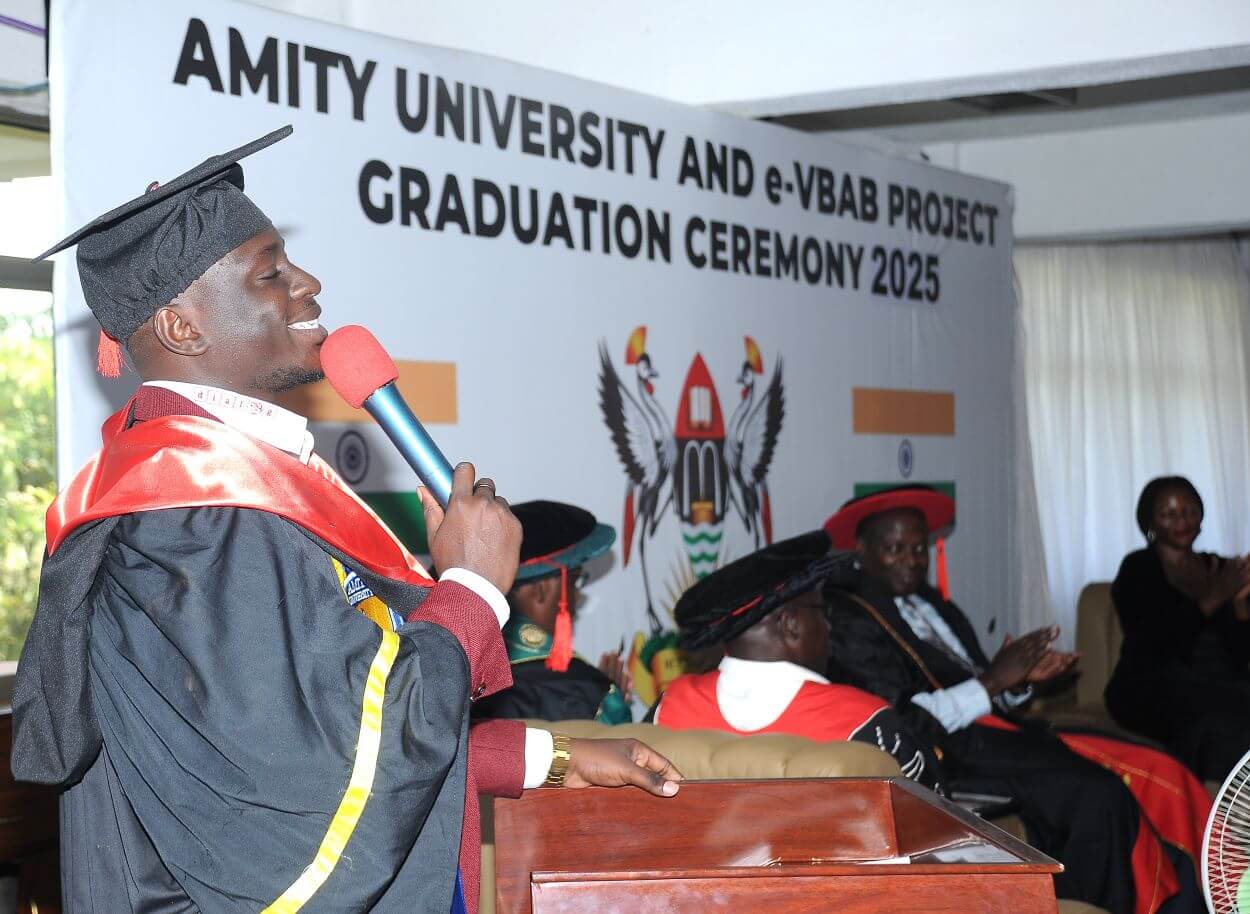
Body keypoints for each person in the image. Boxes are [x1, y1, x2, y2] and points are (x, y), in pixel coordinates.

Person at [10, 126, 682, 914]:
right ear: (183, 327)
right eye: (272, 273)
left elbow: (314, 742)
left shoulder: (216, 496)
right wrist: (469, 589)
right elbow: (309, 804)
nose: (310, 283)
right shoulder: (197, 519)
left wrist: (549, 754)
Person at [823, 485, 1208, 914]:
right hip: (949, 755)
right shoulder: (849, 619)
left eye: (919, 548)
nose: (913, 560)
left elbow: (980, 686)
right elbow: (900, 722)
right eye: (896, 548)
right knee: (1097, 795)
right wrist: (992, 682)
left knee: (1157, 766)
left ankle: (1189, 891)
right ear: (862, 549)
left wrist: (1018, 680)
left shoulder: (931, 604)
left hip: (994, 735)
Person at [653, 532, 944, 793]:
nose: (829, 626)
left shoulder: (670, 706)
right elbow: (937, 823)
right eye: (821, 611)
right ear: (790, 624)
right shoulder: (865, 721)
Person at [1108, 476, 1250, 782]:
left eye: (1189, 511)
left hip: (1220, 682)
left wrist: (1239, 604)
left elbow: (1239, 657)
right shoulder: (1138, 568)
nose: (1182, 520)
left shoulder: (1219, 567)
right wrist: (1216, 597)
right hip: (1153, 684)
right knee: (1220, 722)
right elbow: (1155, 642)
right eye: (1168, 513)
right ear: (1150, 521)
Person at [474, 500, 632, 723]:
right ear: (540, 590)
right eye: (575, 581)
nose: (577, 598)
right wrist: (610, 705)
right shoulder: (578, 688)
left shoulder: (462, 673)